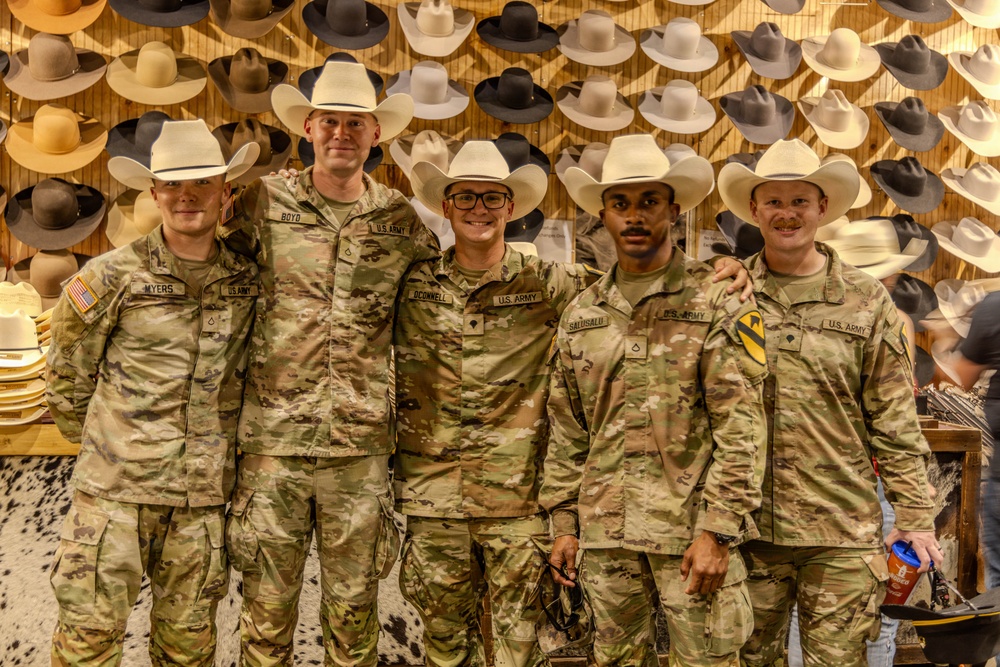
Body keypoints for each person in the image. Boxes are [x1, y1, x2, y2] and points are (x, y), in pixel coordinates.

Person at [219, 60, 438, 666]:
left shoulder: (398, 218)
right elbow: (209, 277)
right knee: (265, 618)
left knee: (354, 617)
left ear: (376, 134)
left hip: (359, 451)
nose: (342, 133)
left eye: (356, 123)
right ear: (308, 128)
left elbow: (438, 304)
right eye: (330, 122)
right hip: (272, 447)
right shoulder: (263, 201)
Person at [540, 133, 769, 666]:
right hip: (606, 535)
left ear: (674, 209)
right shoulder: (583, 313)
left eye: (649, 201)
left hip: (691, 534)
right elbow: (569, 431)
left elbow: (742, 427)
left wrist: (718, 530)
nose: (635, 215)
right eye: (620, 203)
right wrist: (565, 527)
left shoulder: (717, 299)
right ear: (603, 214)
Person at [717, 139, 943, 667]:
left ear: (822, 207)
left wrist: (914, 514)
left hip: (841, 531)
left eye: (800, 201)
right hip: (747, 529)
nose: (787, 213)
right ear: (754, 209)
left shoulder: (867, 299)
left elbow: (893, 416)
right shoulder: (723, 293)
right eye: (774, 201)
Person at [46, 119, 261, 666]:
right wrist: (113, 449)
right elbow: (67, 378)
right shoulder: (110, 277)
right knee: (87, 648)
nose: (187, 195)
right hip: (114, 501)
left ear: (225, 191)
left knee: (187, 653)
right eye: (173, 184)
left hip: (199, 506)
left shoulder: (247, 280)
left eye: (203, 182)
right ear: (154, 192)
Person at [391, 139, 599, 667]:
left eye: (491, 198)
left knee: (520, 652)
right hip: (434, 500)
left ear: (510, 208)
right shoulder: (410, 284)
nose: (478, 209)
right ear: (446, 206)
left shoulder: (549, 283)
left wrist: (721, 274)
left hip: (519, 503)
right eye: (465, 197)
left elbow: (634, 288)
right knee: (443, 649)